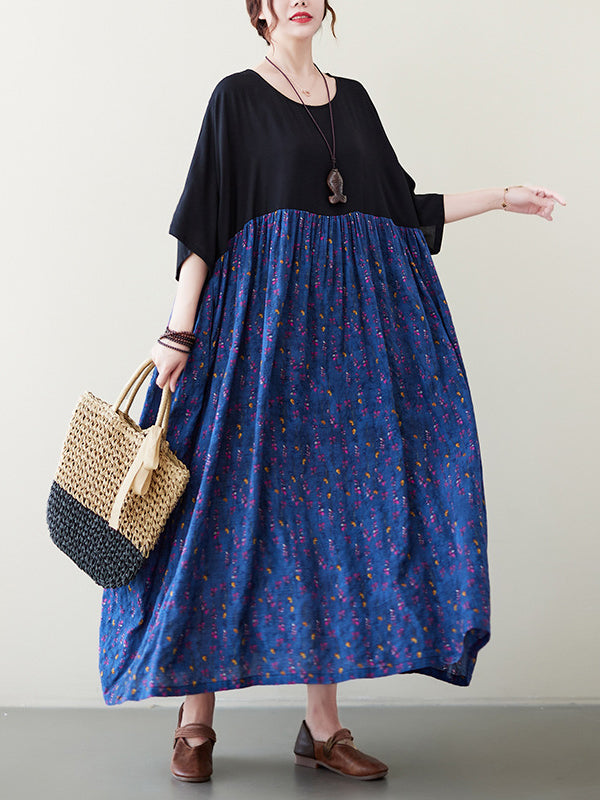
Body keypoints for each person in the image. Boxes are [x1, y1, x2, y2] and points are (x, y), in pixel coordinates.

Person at [98, 0, 566, 784]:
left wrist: (500, 197)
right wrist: (177, 333)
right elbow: (202, 226)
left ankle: (322, 728)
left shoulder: (355, 101)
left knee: (329, 519)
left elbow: (398, 210)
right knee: (217, 510)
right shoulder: (236, 97)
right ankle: (195, 718)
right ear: (260, 9)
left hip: (340, 353)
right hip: (253, 338)